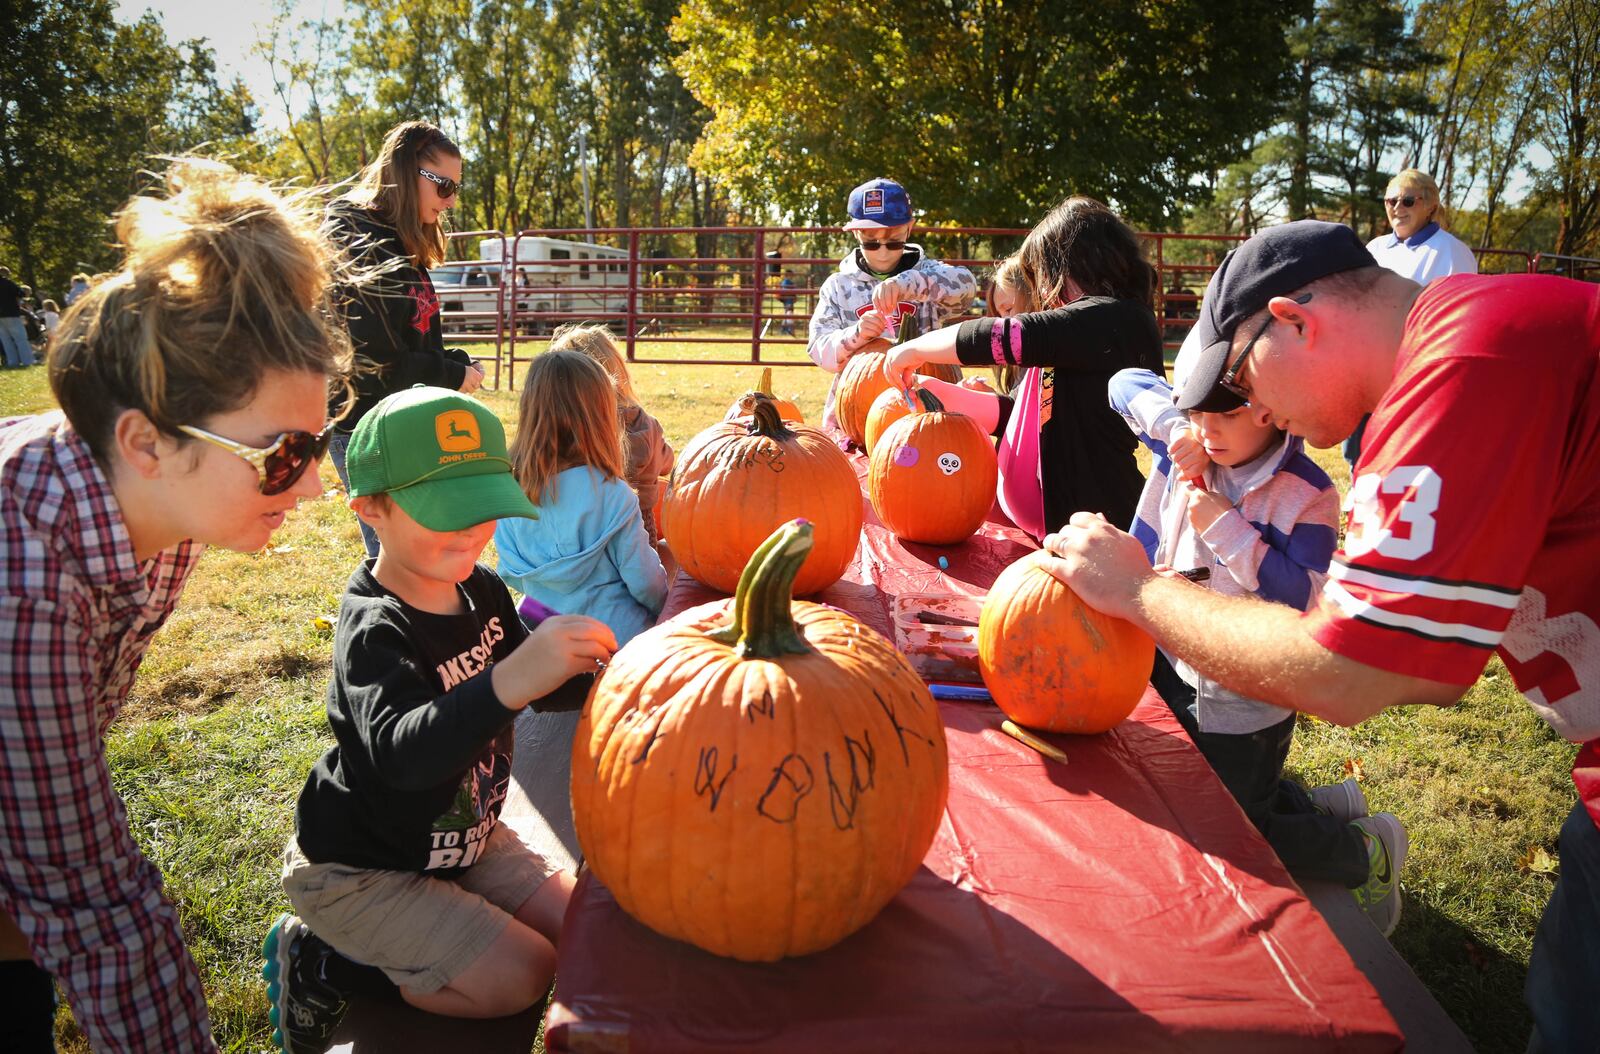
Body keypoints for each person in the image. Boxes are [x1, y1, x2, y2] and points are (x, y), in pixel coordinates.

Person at [1043, 219, 1600, 1052]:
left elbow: (1348, 670)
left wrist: (1138, 590)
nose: (1252, 406)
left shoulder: (1468, 359)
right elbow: (1423, 660)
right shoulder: (1455, 355)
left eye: (1241, 375)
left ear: (1294, 320)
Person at [0, 158, 351, 1052]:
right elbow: (90, 898)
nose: (311, 489)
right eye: (282, 455)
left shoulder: (164, 500)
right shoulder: (26, 581)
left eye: (317, 446)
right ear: (143, 442)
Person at [265, 386, 617, 1054]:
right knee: (523, 977)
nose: (469, 529)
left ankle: (429, 931)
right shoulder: (375, 629)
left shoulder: (478, 589)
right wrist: (512, 678)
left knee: (584, 927)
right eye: (444, 510)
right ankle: (323, 961)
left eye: (480, 506)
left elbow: (532, 686)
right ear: (369, 508)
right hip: (362, 869)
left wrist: (606, 677)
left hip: (462, 841)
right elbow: (402, 756)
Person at [1108, 360, 1395, 929]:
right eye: (1197, 410)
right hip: (1168, 657)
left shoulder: (1308, 495)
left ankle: (1364, 852)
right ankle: (1318, 805)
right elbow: (1122, 383)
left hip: (1245, 692)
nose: (1207, 427)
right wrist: (1176, 426)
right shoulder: (1187, 442)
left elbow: (1304, 601)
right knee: (1204, 784)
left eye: (1225, 413)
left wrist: (1224, 527)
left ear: (1269, 410)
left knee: (1236, 824)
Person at [884, 195, 1164, 541]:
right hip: (1061, 530)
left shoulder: (1114, 319)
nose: (1042, 290)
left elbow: (1005, 337)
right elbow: (1018, 416)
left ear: (1075, 265)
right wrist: (949, 396)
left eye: (1042, 275)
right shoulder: (1077, 335)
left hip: (1099, 526)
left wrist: (912, 349)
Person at [492, 351, 669, 863]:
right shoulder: (611, 494)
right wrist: (671, 602)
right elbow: (644, 583)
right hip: (616, 648)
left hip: (543, 638)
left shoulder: (511, 487)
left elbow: (508, 570)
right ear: (599, 415)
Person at [325, 119, 484, 557]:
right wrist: (451, 375)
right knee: (400, 560)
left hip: (402, 419)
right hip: (367, 425)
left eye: (455, 189)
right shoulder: (356, 239)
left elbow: (409, 342)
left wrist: (454, 362)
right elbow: (376, 363)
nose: (449, 202)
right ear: (407, 172)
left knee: (425, 552)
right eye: (444, 187)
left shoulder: (401, 238)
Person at [806, 178, 976, 433]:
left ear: (909, 229)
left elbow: (966, 288)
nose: (883, 252)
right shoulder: (839, 286)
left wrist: (907, 283)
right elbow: (819, 350)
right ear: (855, 233)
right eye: (871, 243)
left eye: (893, 242)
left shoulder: (927, 273)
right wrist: (857, 335)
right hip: (858, 413)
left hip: (927, 405)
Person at [1343, 169, 1479, 468]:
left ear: (1430, 204)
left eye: (1407, 201)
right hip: (1369, 367)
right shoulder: (1375, 249)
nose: (1397, 208)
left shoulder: (1452, 252)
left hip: (1416, 366)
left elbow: (1464, 318)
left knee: (1407, 449)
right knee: (1358, 452)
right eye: (1390, 200)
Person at [545, 323, 675, 548]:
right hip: (640, 530)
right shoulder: (646, 423)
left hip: (581, 532)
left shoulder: (566, 429)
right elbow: (667, 464)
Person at [982, 254, 1032, 393]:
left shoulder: (1042, 363)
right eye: (999, 315)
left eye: (1008, 309)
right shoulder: (1020, 364)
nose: (1003, 321)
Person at [0, 265, 35, 368]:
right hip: (11, 313)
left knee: (6, 340)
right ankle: (27, 361)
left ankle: (12, 362)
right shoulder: (7, 283)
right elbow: (21, 293)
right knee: (20, 338)